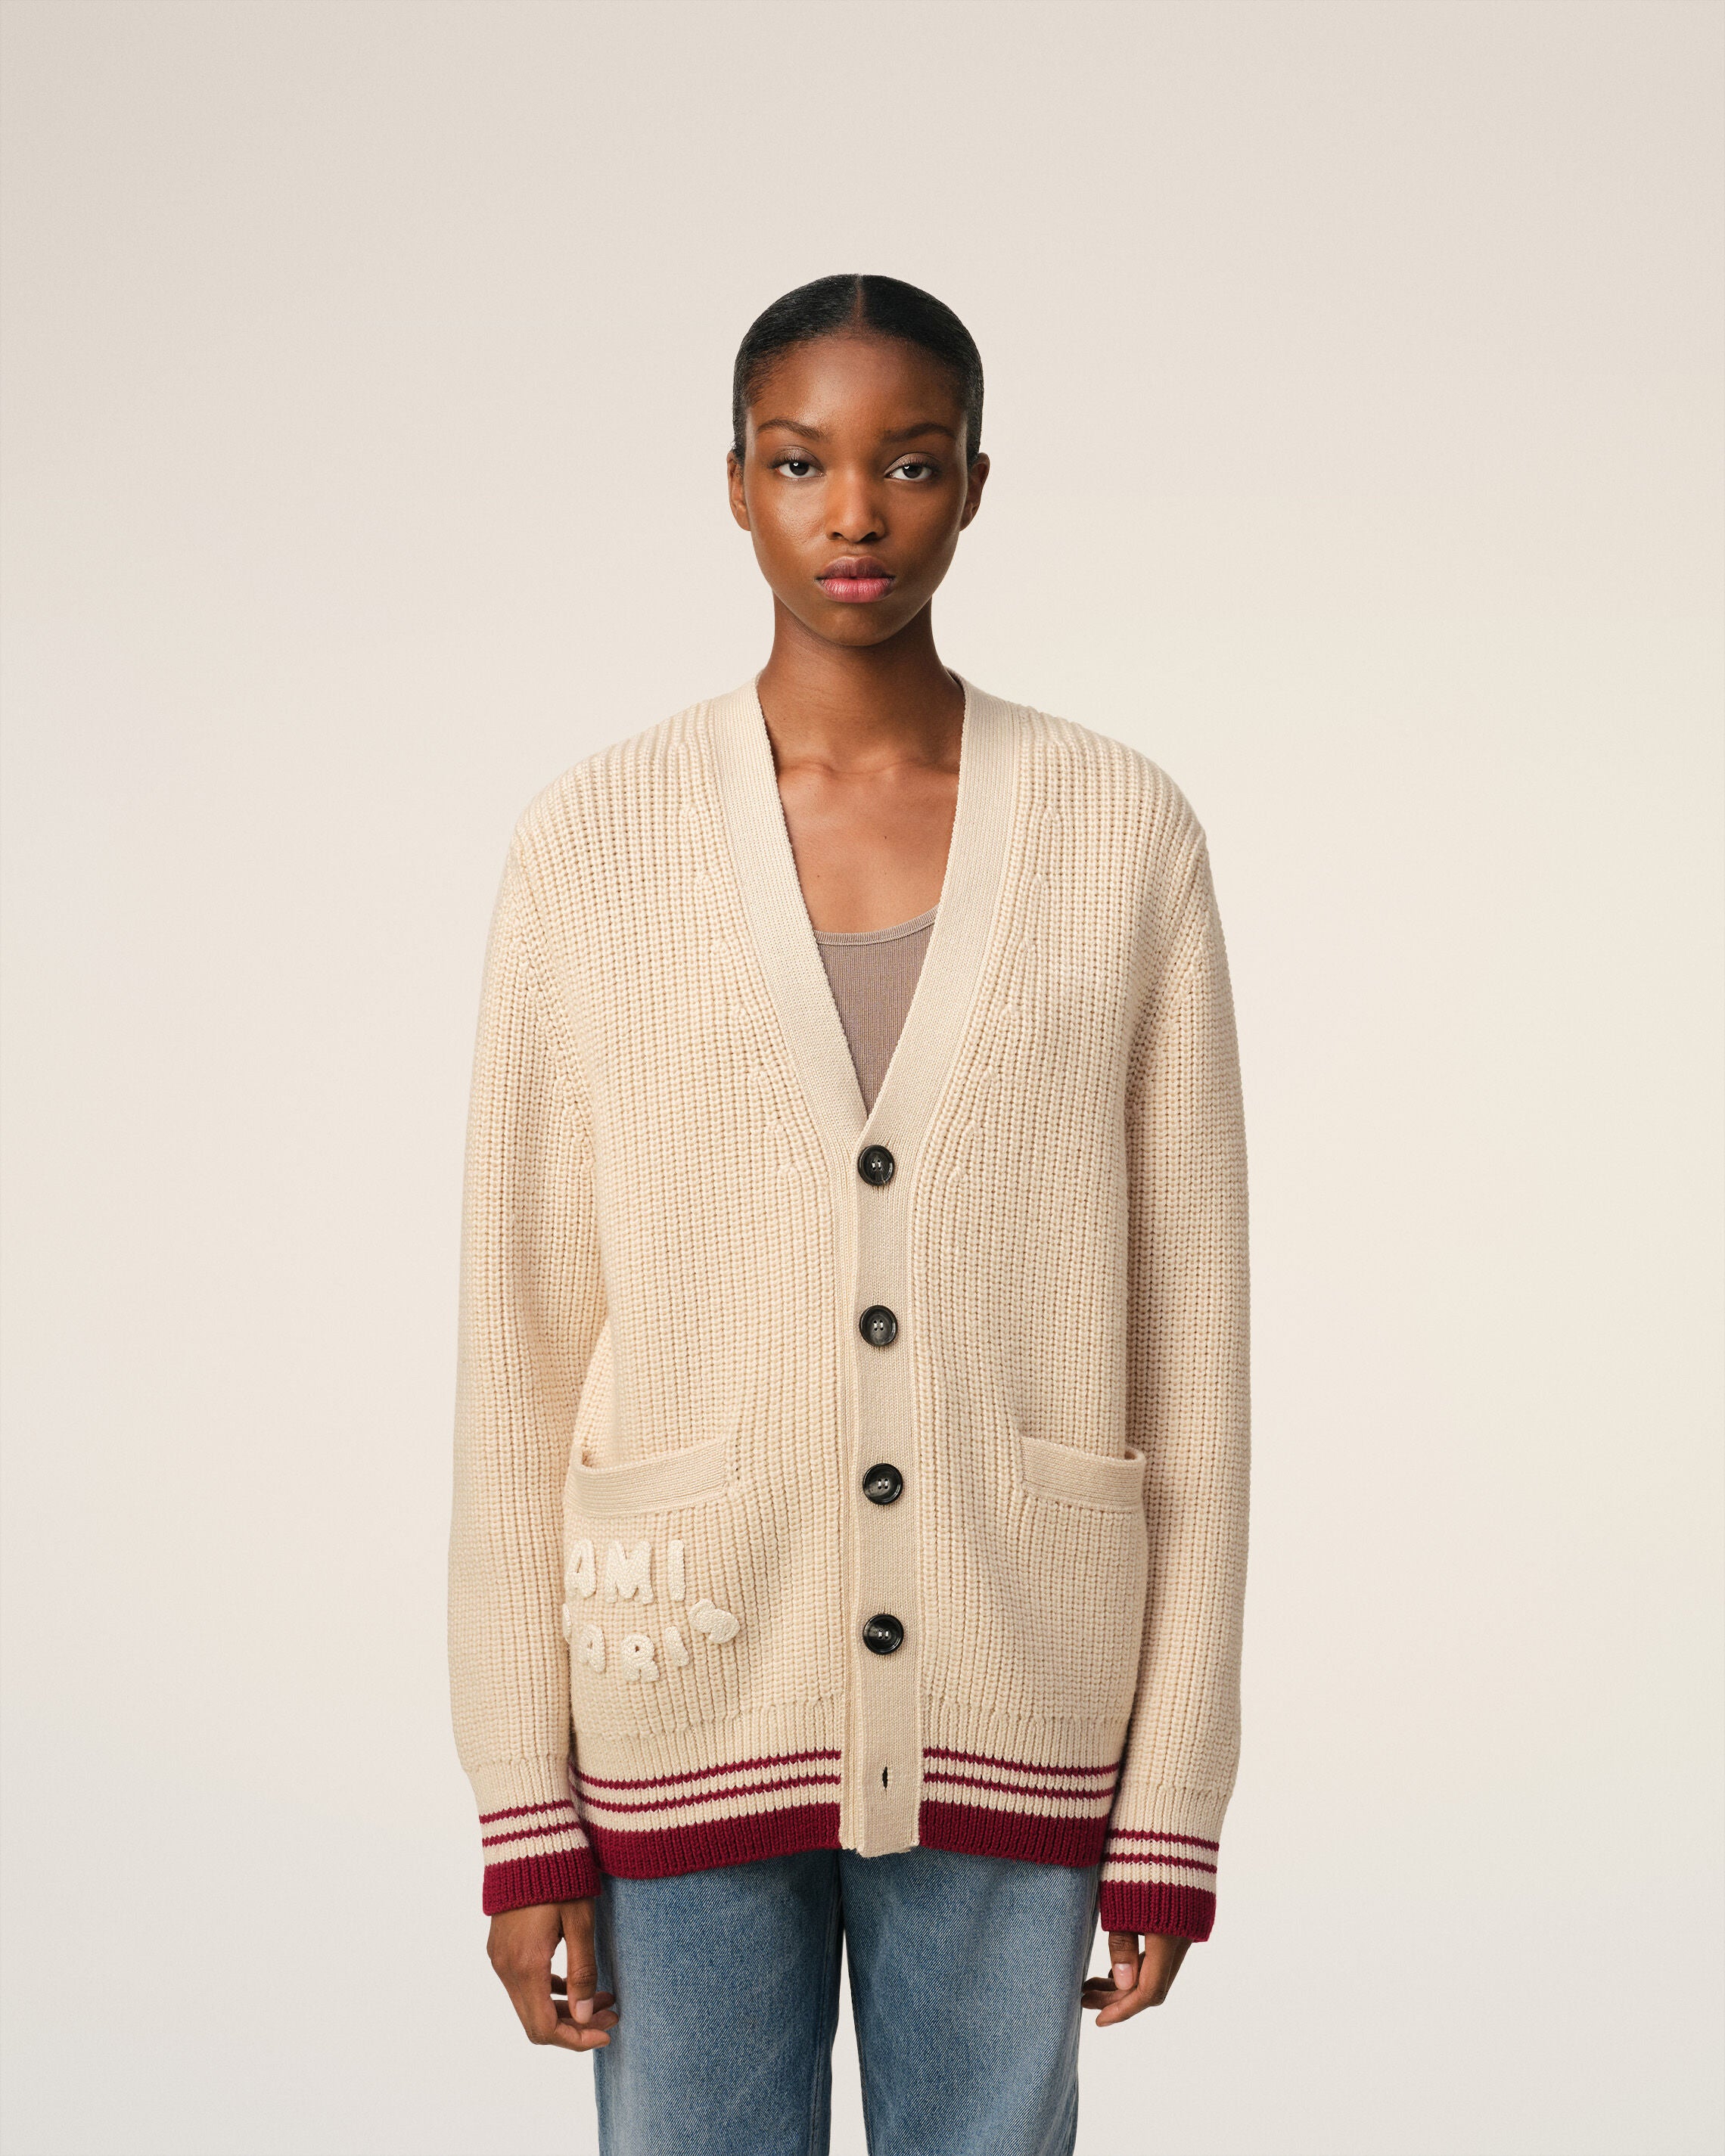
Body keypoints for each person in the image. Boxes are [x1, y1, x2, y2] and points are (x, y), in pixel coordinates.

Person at [447, 273, 1251, 2156]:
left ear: (977, 484)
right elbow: (518, 1342)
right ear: (735, 484)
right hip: (683, 1695)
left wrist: (1177, 1796)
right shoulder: (593, 844)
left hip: (1021, 1683)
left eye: (912, 462)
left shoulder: (1123, 832)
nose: (857, 513)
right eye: (802, 463)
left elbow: (1196, 1353)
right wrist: (519, 1805)